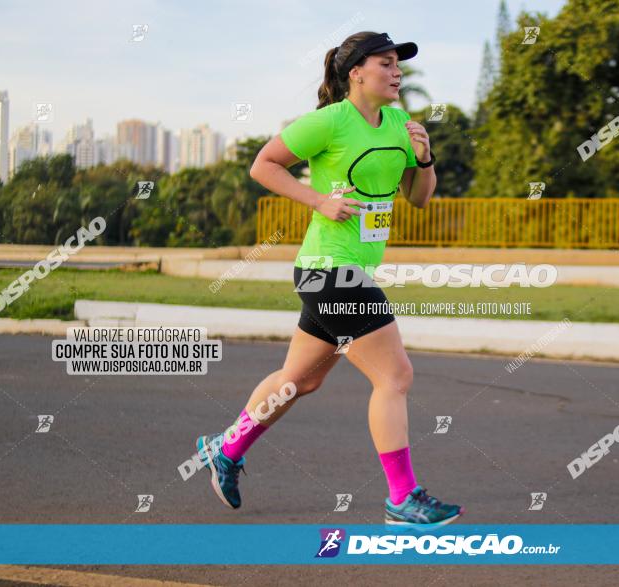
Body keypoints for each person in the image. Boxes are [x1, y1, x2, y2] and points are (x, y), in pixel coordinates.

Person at [195, 31, 464, 527]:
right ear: (356, 72)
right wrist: (319, 200)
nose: (397, 71)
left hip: (349, 272)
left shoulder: (402, 123)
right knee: (395, 375)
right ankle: (402, 498)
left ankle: (225, 449)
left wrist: (425, 158)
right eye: (386, 62)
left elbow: (420, 197)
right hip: (329, 270)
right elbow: (264, 165)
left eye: (398, 64)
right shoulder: (329, 122)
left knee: (299, 381)